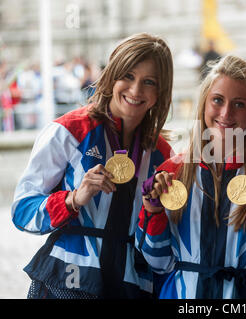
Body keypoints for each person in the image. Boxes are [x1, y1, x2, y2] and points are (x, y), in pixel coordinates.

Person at [11, 33, 174, 299]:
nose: (135, 91)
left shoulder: (162, 154)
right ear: (111, 77)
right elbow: (22, 211)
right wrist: (73, 199)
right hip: (68, 282)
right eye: (128, 76)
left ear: (160, 93)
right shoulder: (68, 131)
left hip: (131, 286)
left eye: (149, 82)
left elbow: (165, 244)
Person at [135, 55, 246, 299]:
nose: (226, 112)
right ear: (204, 105)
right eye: (217, 100)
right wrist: (152, 213)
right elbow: (158, 263)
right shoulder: (171, 172)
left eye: (239, 104)